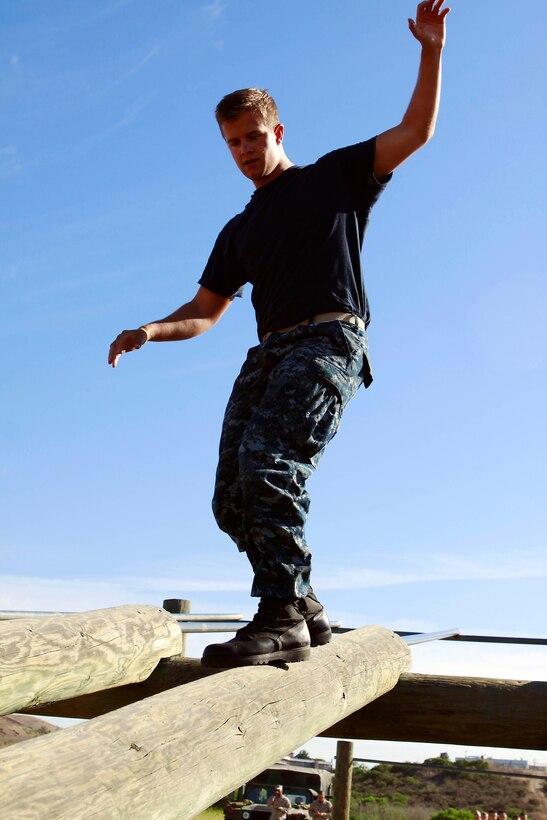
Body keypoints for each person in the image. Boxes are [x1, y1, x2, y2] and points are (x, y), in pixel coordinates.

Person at [108, 1, 450, 667]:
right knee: (230, 499)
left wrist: (430, 50)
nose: (243, 152)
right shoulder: (239, 230)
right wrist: (149, 329)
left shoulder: (333, 179)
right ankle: (305, 605)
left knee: (269, 466)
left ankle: (279, 617)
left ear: (276, 131)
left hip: (328, 341)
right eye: (232, 143)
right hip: (268, 352)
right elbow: (205, 311)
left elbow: (415, 130)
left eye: (252, 138)